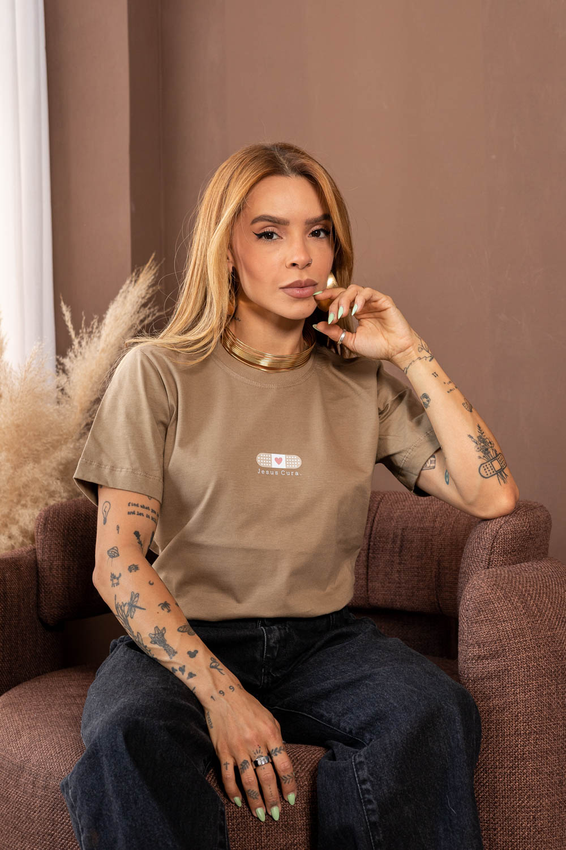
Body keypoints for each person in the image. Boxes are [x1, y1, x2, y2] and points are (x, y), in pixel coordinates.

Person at [58, 141, 497, 850]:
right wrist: (223, 694)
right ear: (227, 251)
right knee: (126, 740)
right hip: (181, 639)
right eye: (269, 233)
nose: (301, 256)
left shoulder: (361, 381)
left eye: (318, 232)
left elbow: (490, 495)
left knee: (432, 709)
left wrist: (408, 351)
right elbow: (117, 563)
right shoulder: (157, 372)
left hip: (323, 642)